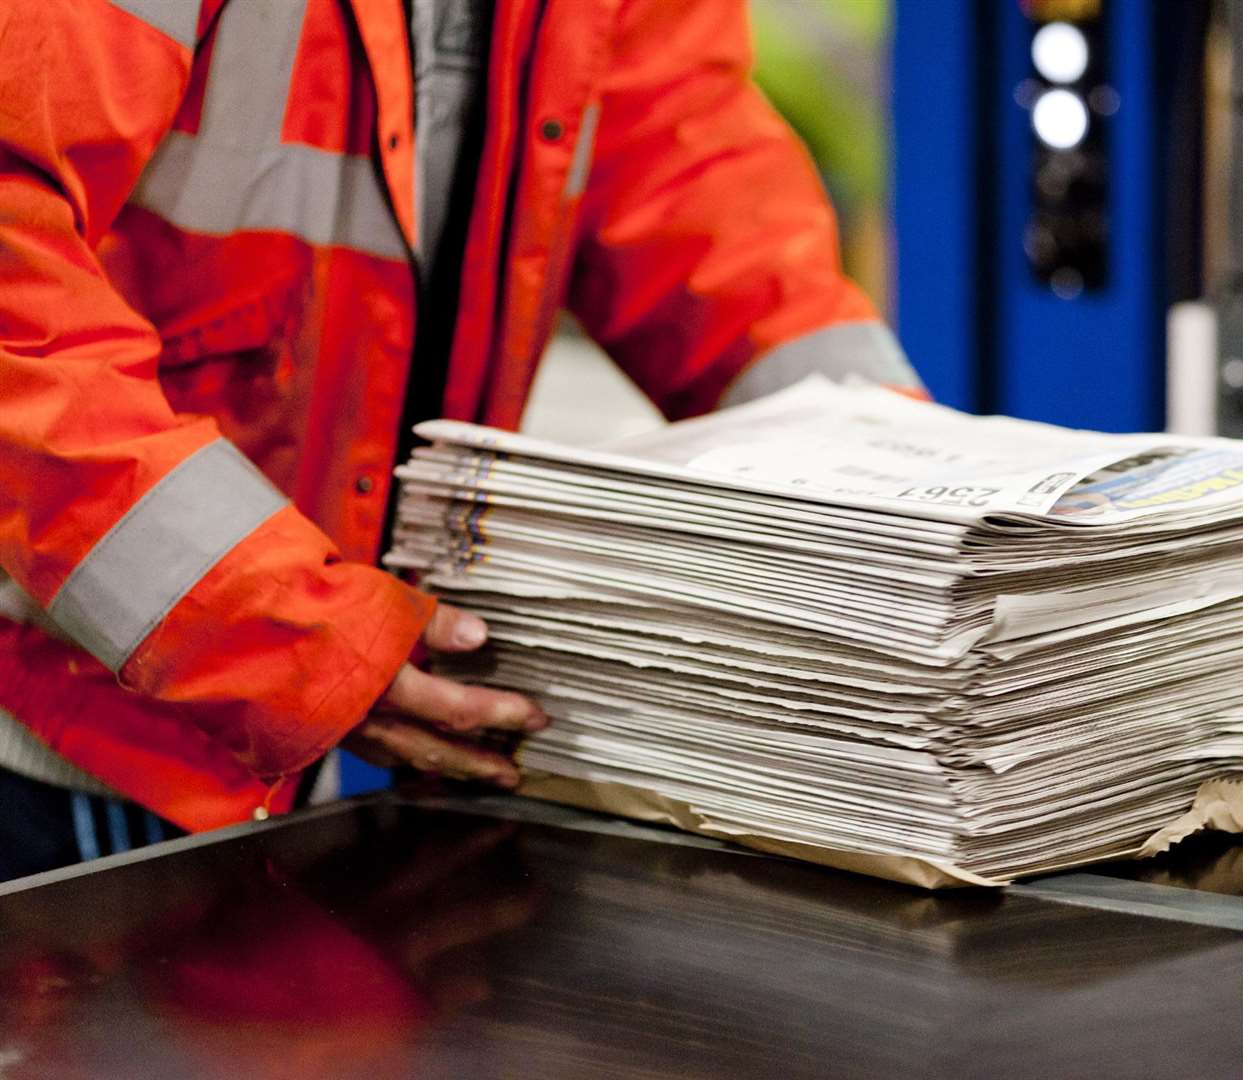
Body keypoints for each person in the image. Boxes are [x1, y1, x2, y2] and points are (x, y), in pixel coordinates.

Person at [0, 0, 921, 880]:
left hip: (266, 725)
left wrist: (930, 497)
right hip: (57, 720)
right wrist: (284, 631)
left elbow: (686, 170)